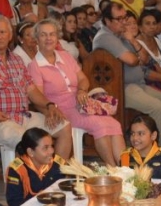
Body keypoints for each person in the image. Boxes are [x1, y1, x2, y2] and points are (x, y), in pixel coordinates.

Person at [0, 14, 72, 157]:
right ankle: (30, 178)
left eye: (2, 32)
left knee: (64, 126)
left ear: (10, 35)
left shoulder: (17, 60)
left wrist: (49, 106)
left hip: (23, 117)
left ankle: (55, 173)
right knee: (28, 140)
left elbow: (32, 90)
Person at [26, 18, 125, 167]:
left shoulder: (65, 56)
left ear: (57, 37)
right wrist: (49, 111)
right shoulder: (35, 66)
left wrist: (82, 90)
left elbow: (83, 79)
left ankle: (124, 168)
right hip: (62, 109)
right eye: (43, 35)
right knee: (100, 125)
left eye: (52, 34)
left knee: (114, 124)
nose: (48, 38)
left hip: (82, 103)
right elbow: (39, 97)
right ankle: (112, 168)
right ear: (36, 39)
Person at [93, 2, 161, 146]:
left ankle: (150, 143)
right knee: (157, 107)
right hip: (120, 88)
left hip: (137, 84)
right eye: (119, 19)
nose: (124, 22)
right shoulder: (105, 37)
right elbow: (132, 60)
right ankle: (159, 151)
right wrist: (134, 51)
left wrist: (132, 40)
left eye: (125, 17)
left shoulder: (122, 34)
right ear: (107, 21)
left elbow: (144, 59)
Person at [5, 128, 66, 206]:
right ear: (30, 152)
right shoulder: (17, 170)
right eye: (45, 148)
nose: (51, 151)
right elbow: (14, 202)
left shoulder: (56, 163)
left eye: (52, 146)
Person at [121, 114, 161, 179]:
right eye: (132, 133)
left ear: (153, 135)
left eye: (140, 134)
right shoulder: (126, 156)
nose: (135, 138)